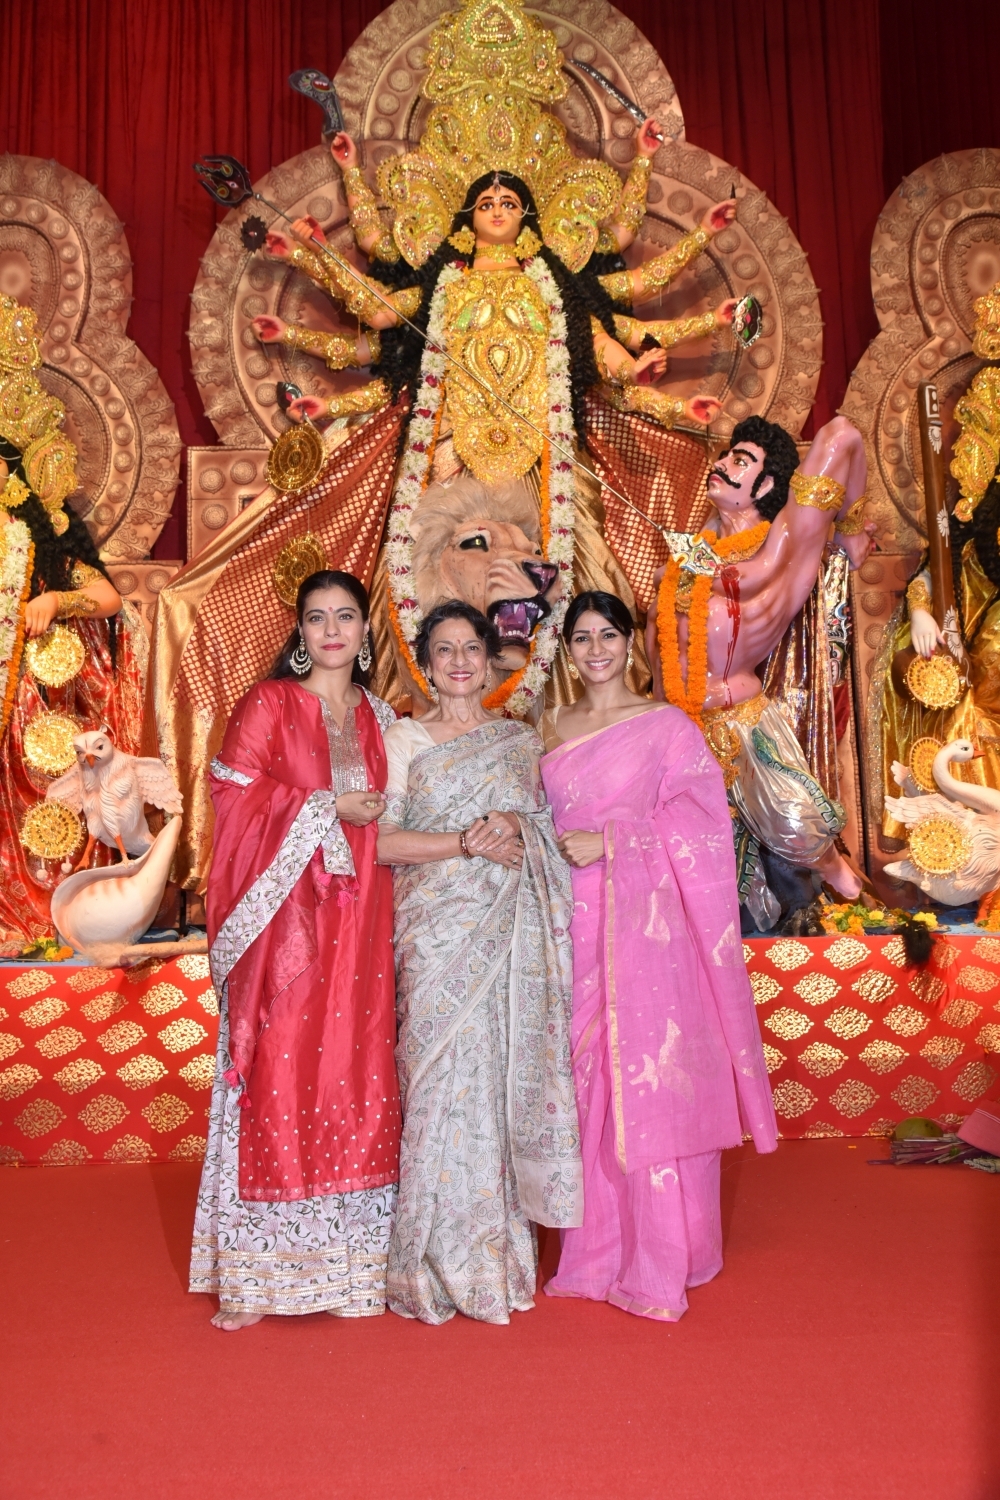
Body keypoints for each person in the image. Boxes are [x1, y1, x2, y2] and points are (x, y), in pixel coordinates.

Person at [539, 590, 777, 1321]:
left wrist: (614, 842)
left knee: (653, 1079)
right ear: (568, 651)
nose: (597, 650)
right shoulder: (550, 726)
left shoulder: (667, 725)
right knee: (589, 1085)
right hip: (573, 928)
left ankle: (667, 1254)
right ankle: (598, 1253)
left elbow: (704, 823)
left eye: (608, 634)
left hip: (648, 929)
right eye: (582, 639)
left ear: (629, 642)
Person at [190, 570, 402, 1329]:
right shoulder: (270, 703)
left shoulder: (382, 715)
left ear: (364, 629)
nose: (333, 631)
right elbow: (231, 795)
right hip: (289, 928)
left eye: (346, 617)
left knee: (357, 1064)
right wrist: (323, 807)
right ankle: (263, 1275)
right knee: (284, 1065)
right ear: (300, 632)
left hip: (366, 924)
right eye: (318, 619)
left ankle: (352, 1273)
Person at [377, 600, 581, 1324]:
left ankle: (494, 1263)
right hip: (434, 936)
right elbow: (383, 843)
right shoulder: (402, 739)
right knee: (434, 1085)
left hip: (508, 937)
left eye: (472, 649)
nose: (459, 662)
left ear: (493, 660)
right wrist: (465, 841)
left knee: (494, 1089)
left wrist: (518, 831)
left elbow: (553, 839)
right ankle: (427, 1264)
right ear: (425, 663)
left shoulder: (520, 743)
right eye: (444, 651)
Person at [646, 413, 877, 922]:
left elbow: (844, 433)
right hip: (672, 725)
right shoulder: (700, 547)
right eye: (726, 454)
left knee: (798, 824)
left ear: (766, 483)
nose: (723, 463)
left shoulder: (785, 546)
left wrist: (851, 532)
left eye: (740, 460)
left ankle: (839, 881)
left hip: (738, 717)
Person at [0, 293, 144, 948]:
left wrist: (57, 601)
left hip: (20, 709)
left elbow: (110, 600)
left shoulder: (43, 536)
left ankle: (34, 917)